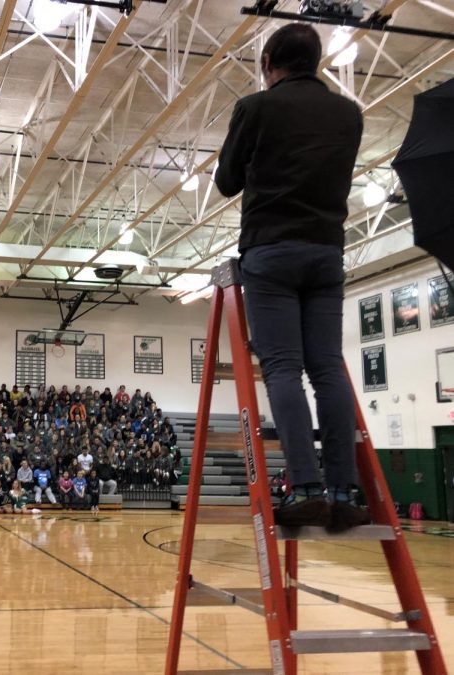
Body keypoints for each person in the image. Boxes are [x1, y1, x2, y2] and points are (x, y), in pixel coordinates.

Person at [214, 23, 368, 531]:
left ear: (268, 64)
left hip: (272, 250)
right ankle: (345, 491)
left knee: (283, 369)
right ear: (317, 61)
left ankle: (305, 488)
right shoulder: (349, 114)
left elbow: (226, 181)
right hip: (327, 250)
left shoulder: (256, 108)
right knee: (326, 367)